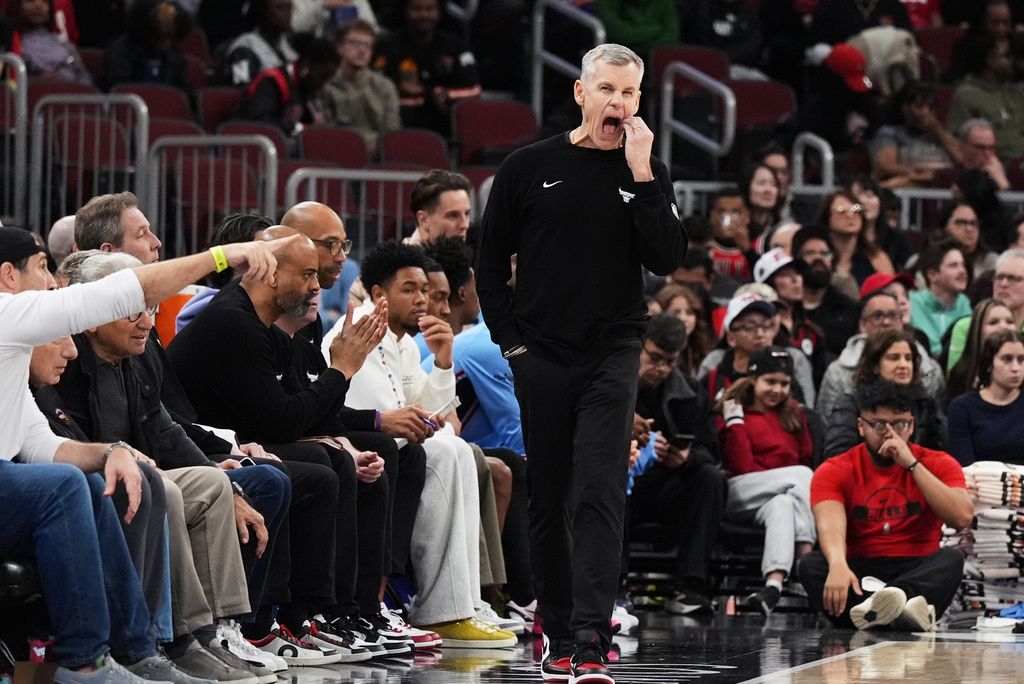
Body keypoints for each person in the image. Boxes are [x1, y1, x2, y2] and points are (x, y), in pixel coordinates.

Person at [475, 43, 686, 684]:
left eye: (629, 92)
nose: (618, 102)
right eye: (607, 90)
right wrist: (514, 348)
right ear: (581, 93)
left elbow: (667, 258)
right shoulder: (527, 166)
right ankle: (559, 633)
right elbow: (490, 266)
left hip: (614, 349)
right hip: (540, 352)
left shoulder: (647, 169)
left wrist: (643, 176)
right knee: (549, 496)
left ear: (639, 100)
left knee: (599, 488)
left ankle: (593, 639)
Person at [0, 225, 294, 684]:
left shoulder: (14, 349)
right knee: (66, 486)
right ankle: (84, 661)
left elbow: (40, 443)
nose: (53, 281)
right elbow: (112, 295)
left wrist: (113, 452)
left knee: (112, 479)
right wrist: (220, 257)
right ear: (8, 276)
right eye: (42, 268)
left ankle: (138, 651)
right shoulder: (6, 312)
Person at [332, 240, 518, 648]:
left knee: (456, 450)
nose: (422, 300)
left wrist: (443, 360)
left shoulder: (400, 341)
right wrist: (435, 427)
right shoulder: (362, 326)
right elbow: (392, 416)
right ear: (378, 293)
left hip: (393, 445)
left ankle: (465, 604)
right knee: (448, 451)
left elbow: (432, 411)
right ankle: (441, 609)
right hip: (358, 444)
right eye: (409, 289)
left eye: (423, 290)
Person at [798, 381, 972, 630]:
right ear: (861, 426)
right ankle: (899, 613)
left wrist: (912, 465)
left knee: (951, 559)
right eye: (879, 425)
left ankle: (883, 606)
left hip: (916, 565)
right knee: (810, 565)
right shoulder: (835, 468)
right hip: (860, 567)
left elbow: (962, 517)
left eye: (899, 425)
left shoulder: (938, 462)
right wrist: (837, 564)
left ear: (912, 425)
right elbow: (830, 524)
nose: (890, 434)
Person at [629, 314, 727, 616]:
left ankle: (691, 587)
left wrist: (687, 457)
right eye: (655, 358)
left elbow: (712, 449)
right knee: (612, 481)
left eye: (670, 362)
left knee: (710, 478)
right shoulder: (615, 385)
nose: (661, 368)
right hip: (626, 481)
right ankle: (614, 587)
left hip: (668, 484)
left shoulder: (690, 391)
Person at [717, 346, 815, 616]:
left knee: (784, 503)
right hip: (739, 491)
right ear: (753, 380)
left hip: (780, 496)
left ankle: (773, 585)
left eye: (784, 384)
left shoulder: (793, 414)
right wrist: (735, 422)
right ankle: (806, 562)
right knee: (802, 476)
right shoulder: (734, 410)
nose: (777, 389)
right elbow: (742, 466)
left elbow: (806, 455)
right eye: (770, 381)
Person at [817, 290, 944, 419]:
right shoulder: (838, 372)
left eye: (893, 315)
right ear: (863, 325)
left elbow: (936, 421)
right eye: (877, 316)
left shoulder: (930, 370)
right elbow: (829, 421)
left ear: (902, 321)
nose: (886, 322)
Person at [824, 328, 946, 458]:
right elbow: (838, 454)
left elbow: (939, 454)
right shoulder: (851, 401)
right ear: (875, 365)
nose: (903, 365)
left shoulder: (924, 402)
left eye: (908, 358)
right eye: (894, 358)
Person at [372, 0, 480, 136]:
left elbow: (474, 89)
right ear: (406, 11)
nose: (423, 14)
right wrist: (399, 89)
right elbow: (375, 87)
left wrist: (439, 93)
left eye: (429, 9)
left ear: (439, 12)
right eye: (417, 9)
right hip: (400, 121)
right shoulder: (387, 45)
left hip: (443, 120)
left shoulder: (455, 45)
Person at [753, 248, 829, 389]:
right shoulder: (757, 332)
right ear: (767, 284)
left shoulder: (811, 330)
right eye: (785, 274)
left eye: (798, 273)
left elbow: (820, 380)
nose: (796, 279)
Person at [323, 19, 400, 155]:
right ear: (340, 47)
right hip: (340, 152)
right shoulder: (328, 87)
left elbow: (392, 129)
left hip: (379, 155)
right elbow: (327, 129)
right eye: (355, 43)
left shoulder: (384, 86)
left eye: (368, 45)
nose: (362, 50)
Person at [947, 329, 1024, 465]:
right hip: (979, 477)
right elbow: (964, 465)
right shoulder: (962, 407)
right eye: (1007, 359)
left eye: (1021, 360)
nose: (1015, 368)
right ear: (989, 364)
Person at [237, 33, 338, 136]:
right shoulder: (272, 81)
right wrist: (299, 128)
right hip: (247, 138)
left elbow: (312, 124)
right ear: (306, 66)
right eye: (322, 76)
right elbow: (260, 122)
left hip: (285, 141)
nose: (323, 83)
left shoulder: (310, 89)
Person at [946, 34, 1024, 167]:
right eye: (1007, 56)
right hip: (994, 166)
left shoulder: (1016, 91)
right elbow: (959, 145)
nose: (1012, 61)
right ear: (991, 61)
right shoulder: (966, 96)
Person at [869, 82, 962, 189]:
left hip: (944, 188)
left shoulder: (945, 136)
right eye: (919, 106)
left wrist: (939, 132)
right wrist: (917, 173)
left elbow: (963, 160)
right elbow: (885, 166)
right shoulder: (890, 133)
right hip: (906, 188)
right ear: (904, 108)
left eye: (931, 107)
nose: (926, 112)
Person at [791, 225, 860, 358]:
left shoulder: (849, 309)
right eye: (810, 252)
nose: (819, 258)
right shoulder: (786, 308)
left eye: (825, 254)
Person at [98, 0, 194, 95]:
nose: (167, 41)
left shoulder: (174, 54)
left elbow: (186, 92)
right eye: (162, 34)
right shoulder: (120, 51)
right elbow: (118, 89)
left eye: (171, 36)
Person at [814, 190, 894, 297]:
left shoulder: (876, 257)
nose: (850, 215)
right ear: (827, 218)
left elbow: (891, 294)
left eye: (856, 210)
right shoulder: (818, 256)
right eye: (841, 210)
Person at [909, 237, 972, 356]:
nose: (962, 271)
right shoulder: (912, 304)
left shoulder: (968, 306)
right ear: (932, 275)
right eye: (953, 266)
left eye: (963, 265)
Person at [8, 0, 92, 85]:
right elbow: (9, 83)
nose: (38, 5)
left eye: (45, 1)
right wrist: (38, 81)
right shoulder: (10, 43)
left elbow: (85, 79)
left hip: (71, 91)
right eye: (30, 1)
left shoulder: (64, 44)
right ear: (18, 7)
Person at [946, 299, 1016, 402]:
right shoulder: (961, 373)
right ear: (978, 330)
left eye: (1010, 321)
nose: (1004, 327)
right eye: (993, 322)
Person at [220, 0, 295, 87]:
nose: (287, 14)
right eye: (280, 8)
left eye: (289, 8)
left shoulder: (289, 44)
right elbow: (241, 88)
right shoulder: (244, 48)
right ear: (263, 12)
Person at [848, 175, 915, 273]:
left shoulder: (896, 238)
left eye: (869, 195)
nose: (863, 201)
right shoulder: (842, 236)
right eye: (856, 196)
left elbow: (913, 268)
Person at [655, 283, 714, 377]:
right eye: (675, 313)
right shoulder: (654, 350)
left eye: (689, 312)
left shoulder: (702, 348)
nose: (683, 318)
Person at [706, 187, 756, 283]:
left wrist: (748, 251)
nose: (728, 218)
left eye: (735, 213)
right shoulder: (702, 246)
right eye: (722, 212)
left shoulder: (759, 246)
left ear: (747, 217)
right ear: (712, 217)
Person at [955, 119, 1010, 191]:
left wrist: (1002, 183)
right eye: (980, 147)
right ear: (962, 147)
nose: (987, 153)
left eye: (991, 148)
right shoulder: (948, 177)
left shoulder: (1000, 177)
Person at [742, 164, 782, 250]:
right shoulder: (736, 229)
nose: (768, 190)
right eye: (761, 183)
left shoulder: (782, 228)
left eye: (773, 184)